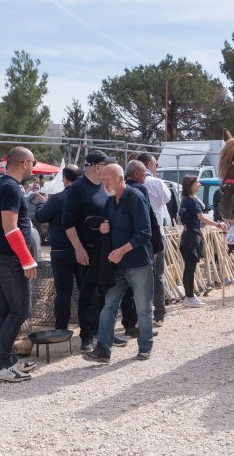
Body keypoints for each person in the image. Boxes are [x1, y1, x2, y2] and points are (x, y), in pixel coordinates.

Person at [83, 164, 154, 363]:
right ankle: (103, 350)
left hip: (138, 263)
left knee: (142, 308)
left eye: (108, 179)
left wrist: (122, 251)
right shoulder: (110, 202)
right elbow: (109, 225)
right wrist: (102, 227)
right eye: (103, 180)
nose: (104, 183)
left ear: (121, 179)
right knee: (109, 306)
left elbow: (144, 234)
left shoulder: (135, 198)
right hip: (117, 266)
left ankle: (145, 346)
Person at [0, 147, 38, 382]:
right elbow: (11, 227)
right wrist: (27, 259)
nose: (34, 168)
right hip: (9, 259)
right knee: (20, 311)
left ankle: (6, 360)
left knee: (7, 311)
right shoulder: (9, 188)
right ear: (25, 162)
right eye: (33, 163)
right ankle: (1, 365)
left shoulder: (0, 185)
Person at [62, 150, 114, 352]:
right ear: (96, 166)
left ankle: (104, 332)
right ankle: (87, 336)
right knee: (87, 294)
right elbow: (68, 223)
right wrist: (78, 248)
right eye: (104, 164)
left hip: (104, 250)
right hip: (87, 250)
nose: (107, 168)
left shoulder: (103, 187)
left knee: (106, 293)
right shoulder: (77, 189)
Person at [34, 164, 82, 331]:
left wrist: (42, 203)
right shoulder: (85, 196)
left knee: (63, 292)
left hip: (61, 250)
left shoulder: (57, 198)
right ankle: (88, 327)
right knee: (85, 290)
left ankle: (61, 327)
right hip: (83, 249)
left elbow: (41, 216)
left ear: (65, 179)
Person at [120, 160, 163, 338]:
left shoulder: (118, 190)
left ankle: (129, 325)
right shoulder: (140, 190)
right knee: (143, 289)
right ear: (136, 174)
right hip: (139, 245)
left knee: (126, 290)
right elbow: (149, 220)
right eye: (144, 172)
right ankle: (142, 327)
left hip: (121, 246)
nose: (146, 175)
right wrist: (156, 245)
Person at [134, 152, 171, 327]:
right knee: (158, 276)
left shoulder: (129, 185)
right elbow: (167, 199)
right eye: (155, 164)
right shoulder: (157, 183)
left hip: (136, 237)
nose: (156, 167)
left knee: (138, 276)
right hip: (156, 234)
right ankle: (159, 314)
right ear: (148, 165)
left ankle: (140, 314)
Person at [178, 175, 226, 307]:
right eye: (196, 182)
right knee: (190, 268)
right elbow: (202, 218)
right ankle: (189, 297)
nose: (199, 184)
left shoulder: (184, 200)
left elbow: (179, 218)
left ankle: (189, 295)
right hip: (192, 236)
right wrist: (218, 224)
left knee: (188, 268)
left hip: (186, 235)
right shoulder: (192, 201)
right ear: (190, 185)